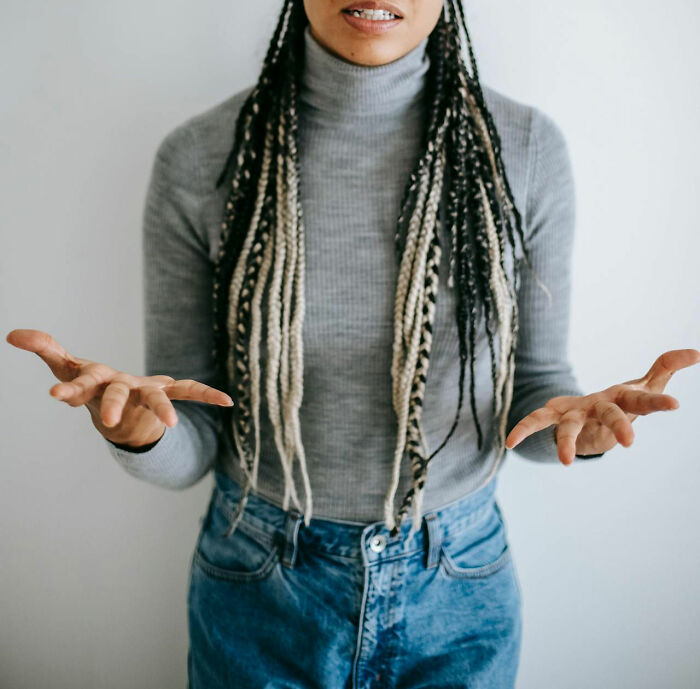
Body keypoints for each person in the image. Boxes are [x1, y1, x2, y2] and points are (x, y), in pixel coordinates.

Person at [7, 0, 698, 686]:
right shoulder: (201, 159)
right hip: (260, 585)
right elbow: (192, 433)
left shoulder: (523, 149)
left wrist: (590, 430)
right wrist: (139, 432)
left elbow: (540, 402)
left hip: (458, 588)